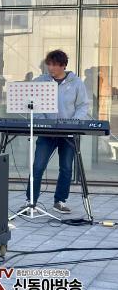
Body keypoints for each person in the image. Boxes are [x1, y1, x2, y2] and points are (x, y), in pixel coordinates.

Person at [24, 50, 90, 214]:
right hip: (47, 132)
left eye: (54, 65)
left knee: (66, 168)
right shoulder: (40, 81)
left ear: (63, 65)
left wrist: (73, 123)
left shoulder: (76, 83)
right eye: (49, 64)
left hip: (68, 132)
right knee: (38, 166)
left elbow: (83, 106)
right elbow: (32, 103)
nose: (51, 68)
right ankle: (30, 202)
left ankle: (59, 201)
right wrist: (42, 121)